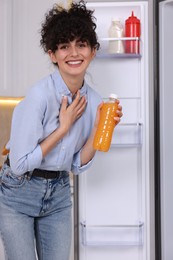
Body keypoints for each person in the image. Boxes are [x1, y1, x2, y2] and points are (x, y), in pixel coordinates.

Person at [0, 1, 123, 260]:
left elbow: (77, 163)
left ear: (92, 51)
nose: (74, 53)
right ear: (52, 54)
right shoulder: (39, 97)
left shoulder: (95, 102)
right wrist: (63, 128)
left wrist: (101, 129)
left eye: (81, 44)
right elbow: (20, 165)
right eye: (64, 46)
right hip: (18, 192)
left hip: (57, 193)